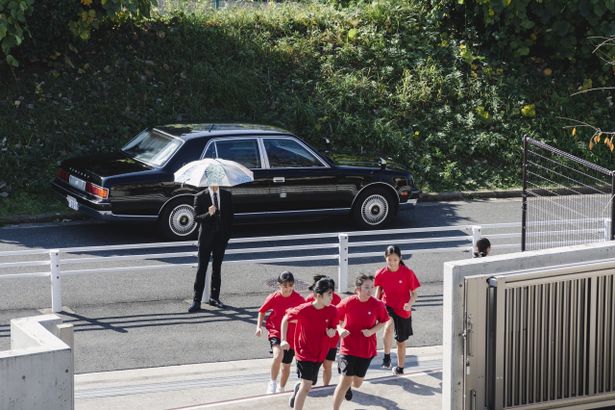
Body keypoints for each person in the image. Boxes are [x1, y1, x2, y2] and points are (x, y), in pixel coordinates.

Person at [281, 277, 338, 410]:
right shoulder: (303, 309)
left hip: (320, 352)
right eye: (329, 294)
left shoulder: (332, 310)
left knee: (310, 383)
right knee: (307, 385)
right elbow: (285, 319)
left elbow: (332, 327)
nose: (332, 297)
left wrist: (332, 331)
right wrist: (283, 339)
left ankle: (298, 388)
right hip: (304, 352)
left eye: (332, 294)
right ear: (318, 295)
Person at [332, 274, 389, 408]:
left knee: (357, 383)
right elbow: (334, 318)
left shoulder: (377, 304)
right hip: (347, 348)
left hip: (366, 349)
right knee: (344, 382)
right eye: (366, 287)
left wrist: (371, 331)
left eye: (371, 287)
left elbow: (383, 321)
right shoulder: (348, 302)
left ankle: (348, 385)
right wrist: (340, 329)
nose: (370, 290)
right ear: (358, 289)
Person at [255, 271, 305, 394]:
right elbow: (262, 311)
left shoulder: (299, 299)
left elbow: (305, 316)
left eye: (290, 286)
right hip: (276, 331)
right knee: (278, 356)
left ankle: (281, 388)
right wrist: (259, 327)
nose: (288, 289)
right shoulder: (274, 297)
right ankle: (272, 382)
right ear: (279, 285)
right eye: (285, 286)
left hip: (292, 335)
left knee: (286, 366)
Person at [374, 245, 420, 375]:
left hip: (403, 309)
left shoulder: (408, 273)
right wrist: (375, 304)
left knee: (400, 341)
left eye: (395, 259)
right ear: (385, 258)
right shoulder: (380, 273)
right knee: (388, 326)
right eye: (389, 259)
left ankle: (400, 367)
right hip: (387, 305)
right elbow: (379, 289)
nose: (392, 263)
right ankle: (387, 358)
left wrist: (409, 304)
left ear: (400, 258)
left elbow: (415, 293)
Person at [188, 181, 233, 312]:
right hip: (206, 238)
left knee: (217, 268)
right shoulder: (200, 196)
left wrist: (227, 236)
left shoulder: (226, 195)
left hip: (221, 238)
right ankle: (196, 301)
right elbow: (196, 218)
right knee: (201, 269)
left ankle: (215, 297)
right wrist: (209, 213)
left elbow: (230, 217)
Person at [304, 274, 342, 386]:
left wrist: (335, 329)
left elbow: (340, 319)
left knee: (328, 365)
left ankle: (325, 386)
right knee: (314, 366)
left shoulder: (337, 299)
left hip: (331, 340)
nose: (331, 295)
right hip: (315, 341)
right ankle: (311, 379)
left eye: (332, 291)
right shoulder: (310, 299)